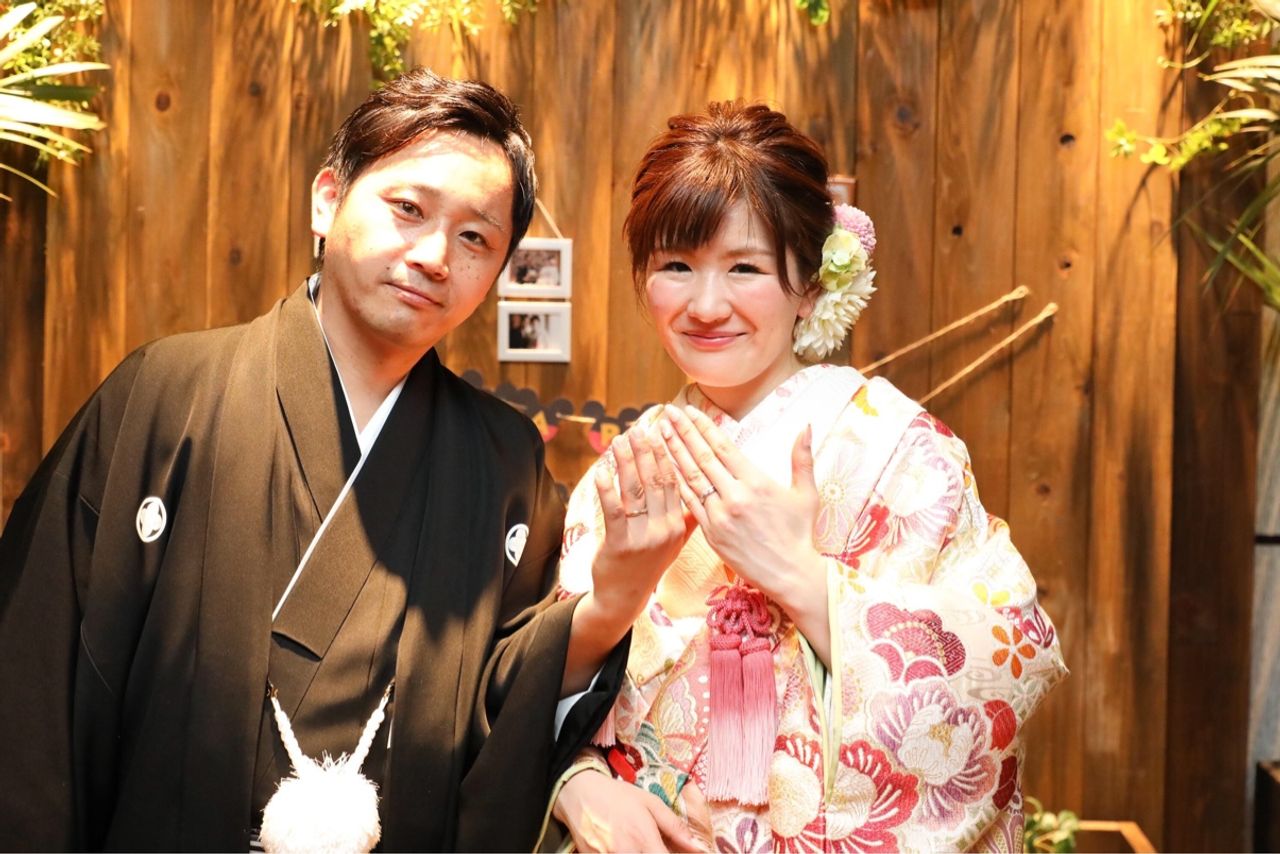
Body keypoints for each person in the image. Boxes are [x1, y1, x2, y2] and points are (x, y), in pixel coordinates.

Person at [0, 69, 631, 851]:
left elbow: (513, 697)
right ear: (328, 201)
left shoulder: (505, 462)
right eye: (408, 209)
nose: (435, 256)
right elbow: (32, 682)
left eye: (475, 238)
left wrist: (616, 598)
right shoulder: (165, 396)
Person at [545, 102, 1069, 852]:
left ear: (812, 286)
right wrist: (578, 780)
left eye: (746, 268)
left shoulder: (899, 452)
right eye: (675, 266)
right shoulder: (626, 468)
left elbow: (1009, 661)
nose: (706, 305)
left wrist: (802, 578)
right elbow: (535, 688)